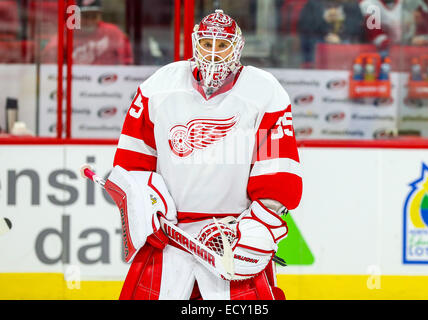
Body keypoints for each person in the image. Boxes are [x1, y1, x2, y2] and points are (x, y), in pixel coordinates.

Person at [110, 9, 302, 300]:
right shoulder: (159, 86)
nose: (213, 53)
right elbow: (132, 161)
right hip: (170, 241)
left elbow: (278, 171)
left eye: (222, 45)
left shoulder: (265, 93)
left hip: (231, 238)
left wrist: (257, 228)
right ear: (194, 44)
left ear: (237, 47)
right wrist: (145, 212)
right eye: (206, 44)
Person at [41, 0, 133, 65]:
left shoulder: (113, 32)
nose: (89, 21)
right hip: (76, 82)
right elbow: (50, 59)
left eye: (93, 16)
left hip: (108, 84)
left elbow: (127, 60)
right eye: (85, 16)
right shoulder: (68, 32)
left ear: (100, 15)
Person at [297, 0, 365, 67]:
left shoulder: (352, 4)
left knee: (348, 42)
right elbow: (305, 27)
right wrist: (324, 20)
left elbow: (358, 28)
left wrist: (340, 37)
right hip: (320, 40)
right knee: (313, 41)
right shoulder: (313, 4)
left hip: (345, 42)